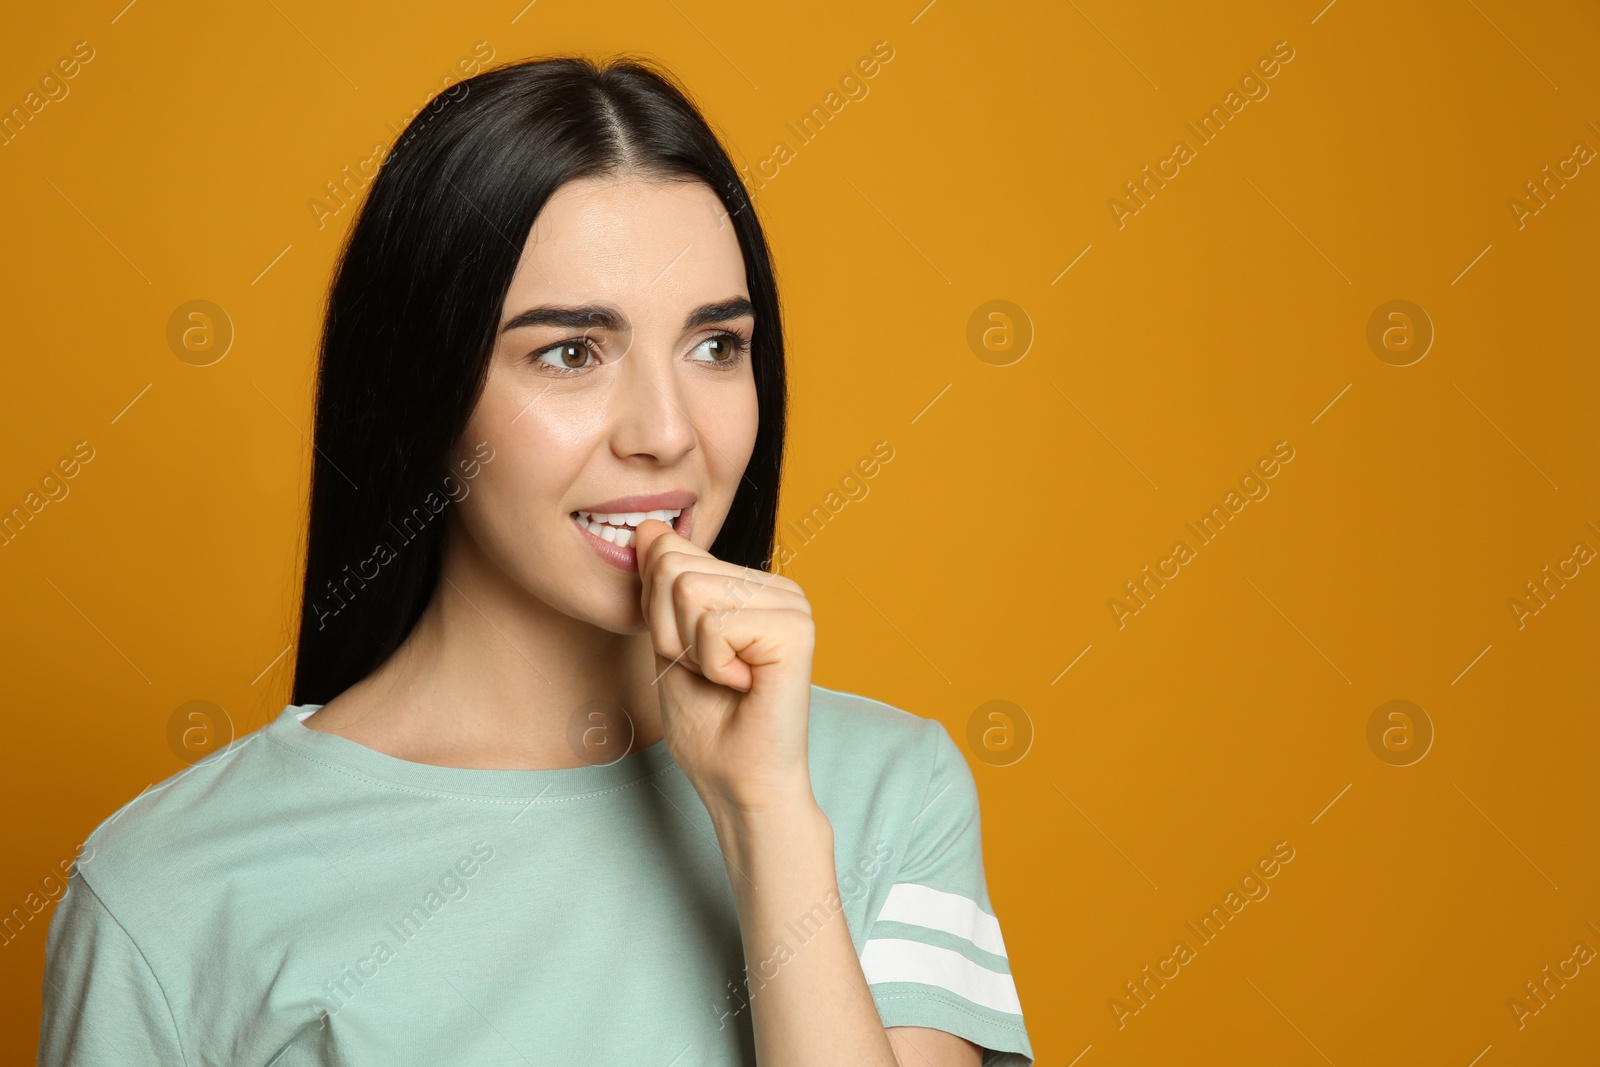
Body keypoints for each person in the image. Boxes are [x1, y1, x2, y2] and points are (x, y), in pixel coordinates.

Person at [37, 54, 1034, 1066]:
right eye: (570, 351)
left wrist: (767, 816)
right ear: (423, 389)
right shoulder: (170, 890)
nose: (665, 431)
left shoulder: (886, 789)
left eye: (715, 346)